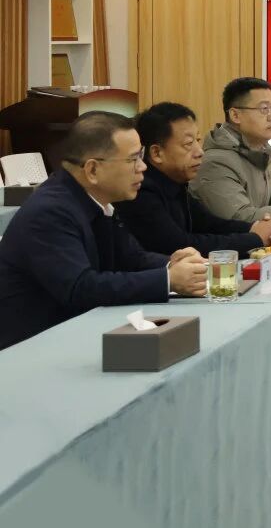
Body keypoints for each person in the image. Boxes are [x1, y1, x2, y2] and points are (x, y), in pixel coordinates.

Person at [0, 112, 207, 350]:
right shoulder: (50, 212)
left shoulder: (96, 200)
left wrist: (174, 264)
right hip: (30, 348)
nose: (143, 167)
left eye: (140, 156)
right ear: (92, 170)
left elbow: (131, 258)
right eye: (133, 159)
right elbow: (81, 288)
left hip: (75, 334)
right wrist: (168, 280)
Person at [115, 102, 271, 257]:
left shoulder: (176, 184)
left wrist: (254, 227)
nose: (199, 152)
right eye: (188, 144)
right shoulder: (141, 191)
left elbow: (210, 224)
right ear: (157, 153)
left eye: (198, 140)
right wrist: (255, 238)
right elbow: (180, 245)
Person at [191, 77, 271, 226]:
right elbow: (241, 217)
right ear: (235, 115)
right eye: (264, 109)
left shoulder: (258, 151)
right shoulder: (216, 163)